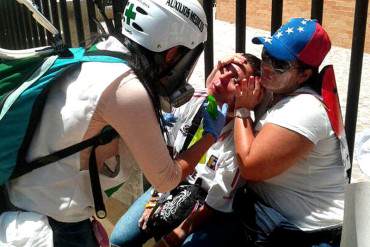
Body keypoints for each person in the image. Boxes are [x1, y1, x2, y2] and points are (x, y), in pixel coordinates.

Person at [4, 0, 228, 246]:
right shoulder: (127, 88)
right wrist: (210, 136)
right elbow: (166, 179)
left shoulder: (103, 53)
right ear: (172, 51)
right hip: (56, 224)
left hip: (26, 199)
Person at [109, 53, 262, 247]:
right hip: (174, 184)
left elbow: (214, 203)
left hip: (208, 206)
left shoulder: (240, 138)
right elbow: (167, 158)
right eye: (223, 69)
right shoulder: (191, 101)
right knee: (118, 240)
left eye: (234, 79)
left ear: (249, 92)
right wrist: (154, 200)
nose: (221, 79)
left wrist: (176, 234)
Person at [232, 17, 348, 246]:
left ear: (304, 75)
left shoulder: (305, 109)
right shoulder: (278, 89)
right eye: (266, 54)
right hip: (273, 219)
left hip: (307, 234)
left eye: (279, 64)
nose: (266, 66)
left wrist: (242, 109)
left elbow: (250, 166)